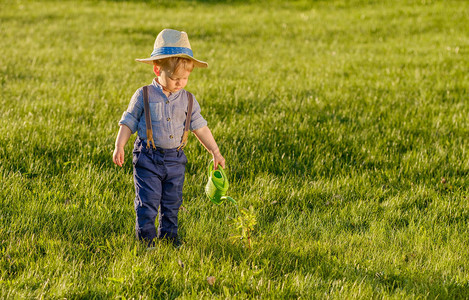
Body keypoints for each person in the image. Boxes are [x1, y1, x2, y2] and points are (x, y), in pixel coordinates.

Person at [112, 29, 225, 247]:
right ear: (157, 69)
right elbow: (128, 121)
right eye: (175, 78)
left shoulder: (188, 99)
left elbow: (200, 128)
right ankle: (147, 240)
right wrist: (120, 145)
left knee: (172, 202)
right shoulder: (143, 94)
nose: (180, 83)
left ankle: (169, 237)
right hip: (148, 157)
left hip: (175, 159)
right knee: (148, 202)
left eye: (185, 78)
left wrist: (215, 151)